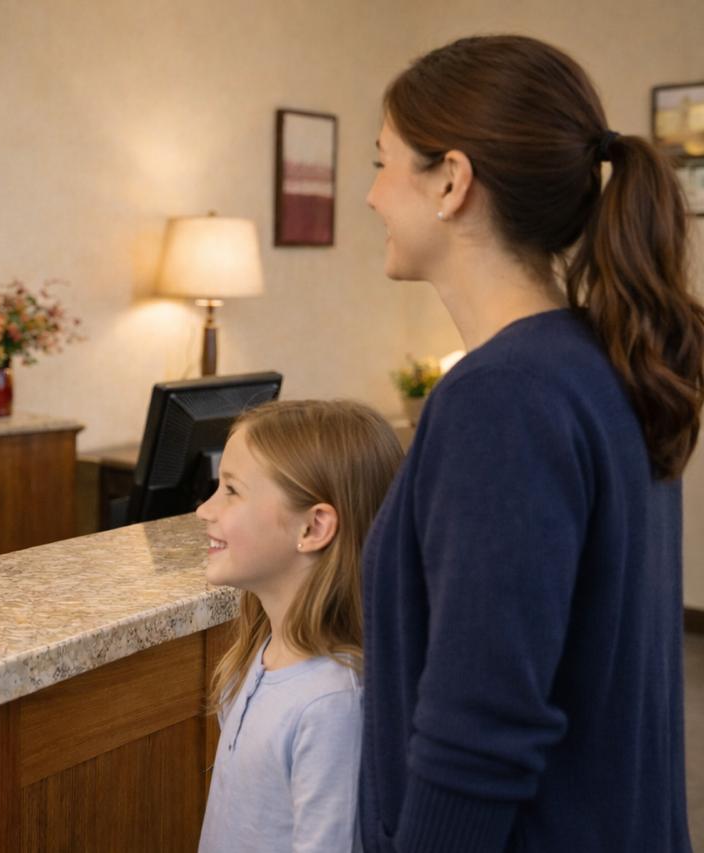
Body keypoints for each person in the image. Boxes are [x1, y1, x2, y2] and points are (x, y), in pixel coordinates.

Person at [362, 35, 704, 851]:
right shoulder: (599, 361)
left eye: (381, 162)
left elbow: (479, 732)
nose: (371, 196)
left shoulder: (503, 399)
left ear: (452, 181)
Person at [196, 399, 404, 853]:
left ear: (312, 528)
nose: (204, 510)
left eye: (231, 490)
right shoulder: (265, 651)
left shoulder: (332, 704)